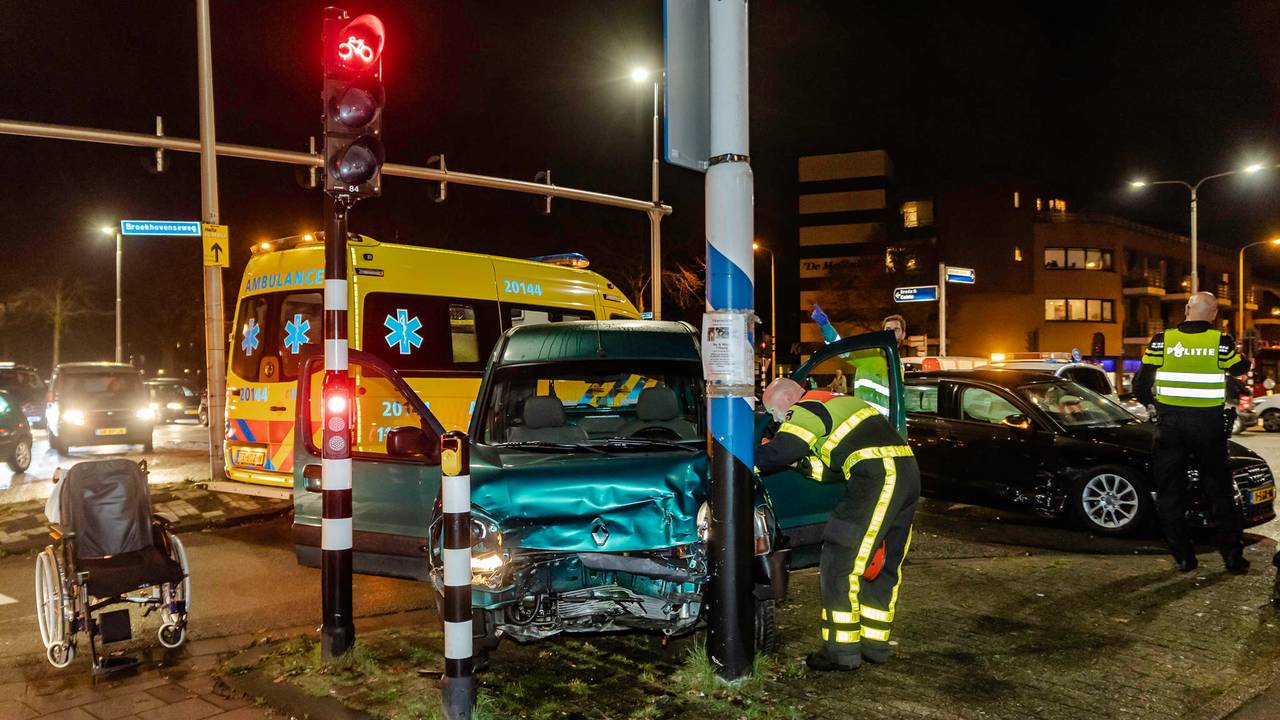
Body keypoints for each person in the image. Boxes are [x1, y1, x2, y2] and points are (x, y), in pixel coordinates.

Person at [756, 377, 920, 671]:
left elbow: (782, 450)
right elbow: (829, 470)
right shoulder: (839, 401)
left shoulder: (806, 407)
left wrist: (742, 461)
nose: (776, 419)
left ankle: (840, 652)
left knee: (838, 560)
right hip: (906, 471)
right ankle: (874, 645)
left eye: (774, 413)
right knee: (881, 563)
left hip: (876, 475)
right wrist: (801, 465)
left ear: (786, 400)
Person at [1133, 291, 1250, 574]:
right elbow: (1239, 368)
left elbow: (1140, 382)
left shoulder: (1163, 340)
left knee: (1170, 492)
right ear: (1213, 314)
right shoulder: (1220, 342)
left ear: (1186, 309)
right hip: (1208, 428)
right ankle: (1232, 556)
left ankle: (1184, 556)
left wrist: (1152, 405)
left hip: (1170, 428)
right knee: (1219, 491)